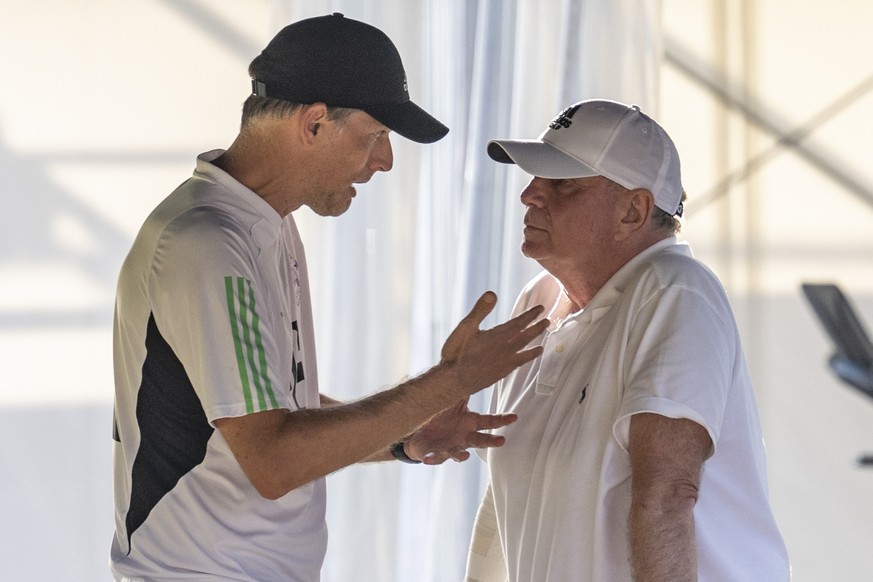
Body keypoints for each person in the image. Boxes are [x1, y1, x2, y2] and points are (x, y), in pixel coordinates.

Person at [109, 13, 549, 582]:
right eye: (376, 136)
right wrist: (452, 379)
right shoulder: (207, 242)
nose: (385, 161)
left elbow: (275, 408)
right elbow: (273, 459)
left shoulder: (260, 225)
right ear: (314, 122)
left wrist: (405, 437)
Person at [464, 99, 791, 581]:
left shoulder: (676, 289)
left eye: (563, 185)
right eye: (534, 178)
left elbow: (667, 496)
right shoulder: (539, 300)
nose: (530, 195)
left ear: (633, 211)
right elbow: (506, 500)